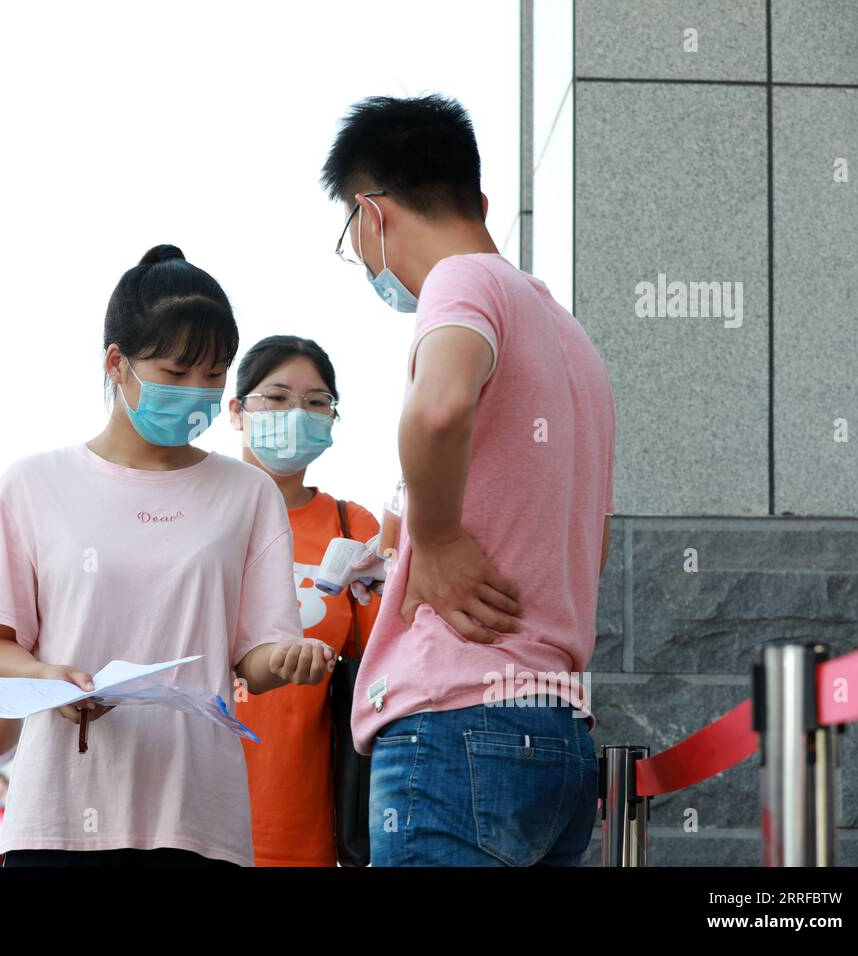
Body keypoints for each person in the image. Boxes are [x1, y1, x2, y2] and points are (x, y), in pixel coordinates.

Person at [0, 244, 329, 867]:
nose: (197, 392)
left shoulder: (247, 493)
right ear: (116, 363)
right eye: (176, 373)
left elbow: (256, 658)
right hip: (59, 820)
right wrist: (49, 680)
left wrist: (289, 659)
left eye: (213, 375)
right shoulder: (32, 484)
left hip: (196, 820)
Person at [321, 94, 615, 866]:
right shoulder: (570, 337)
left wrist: (440, 538)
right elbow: (593, 544)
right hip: (557, 733)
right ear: (476, 199)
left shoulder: (461, 284)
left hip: (455, 725)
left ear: (370, 216)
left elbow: (439, 409)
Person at [227, 335, 383, 866]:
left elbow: (382, 665)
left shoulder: (352, 528)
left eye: (316, 402)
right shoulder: (189, 511)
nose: (297, 414)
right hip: (187, 815)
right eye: (276, 397)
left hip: (303, 825)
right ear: (235, 410)